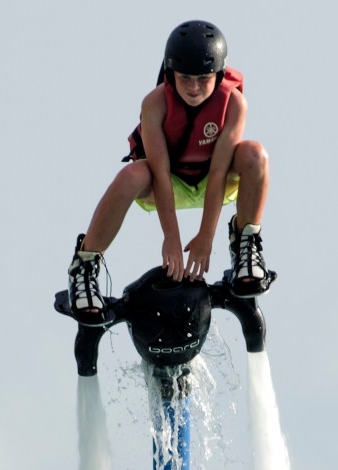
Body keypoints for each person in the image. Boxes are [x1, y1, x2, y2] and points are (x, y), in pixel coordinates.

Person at [67, 20, 273, 322]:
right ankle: (83, 267)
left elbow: (218, 172)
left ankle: (246, 245)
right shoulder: (155, 104)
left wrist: (206, 235)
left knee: (255, 153)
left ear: (217, 74)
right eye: (184, 78)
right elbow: (160, 174)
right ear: (169, 75)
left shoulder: (234, 104)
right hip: (169, 183)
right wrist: (171, 238)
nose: (193, 87)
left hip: (216, 181)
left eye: (203, 79)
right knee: (131, 175)